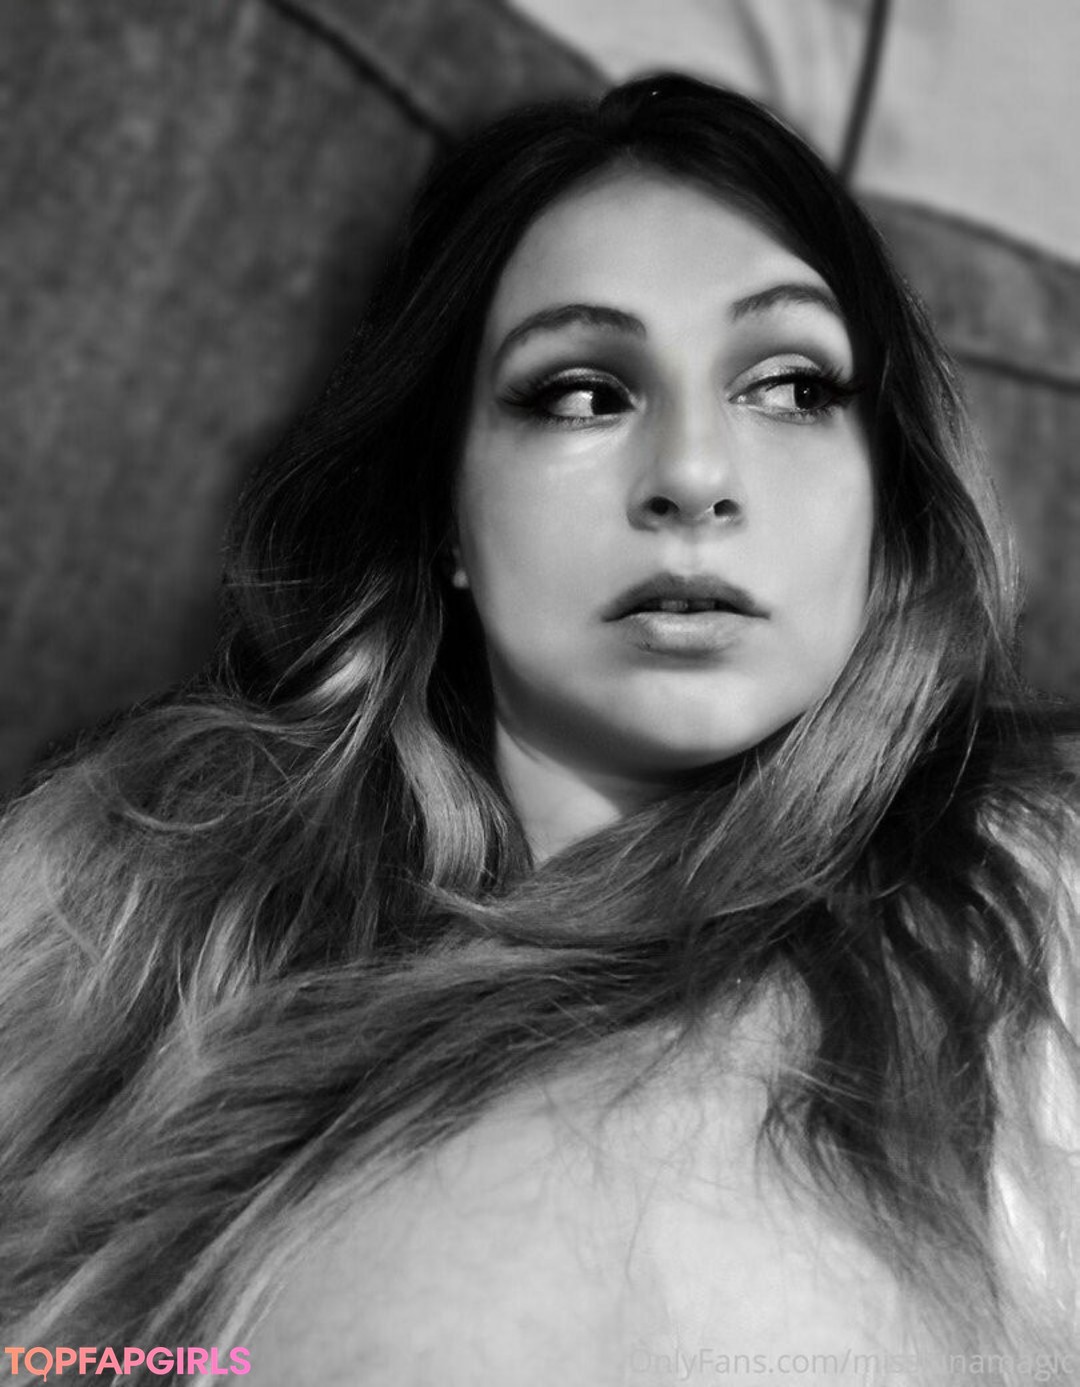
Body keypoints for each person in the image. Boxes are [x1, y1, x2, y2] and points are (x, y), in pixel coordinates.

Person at [0, 74, 1077, 1385]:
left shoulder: (1031, 923)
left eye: (792, 386)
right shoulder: (129, 892)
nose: (693, 477)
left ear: (888, 499)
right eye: (580, 394)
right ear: (444, 515)